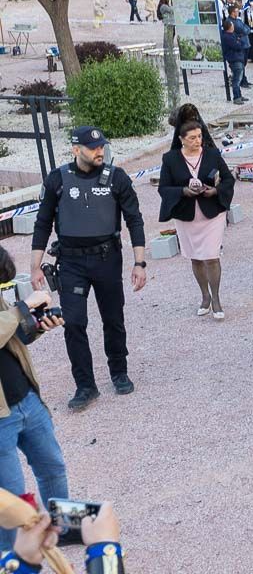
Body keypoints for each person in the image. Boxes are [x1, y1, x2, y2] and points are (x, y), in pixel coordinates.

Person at [30, 127, 145, 412]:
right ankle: (85, 385)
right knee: (74, 323)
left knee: (113, 318)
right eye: (93, 147)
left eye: (101, 147)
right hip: (71, 263)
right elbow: (43, 223)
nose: (99, 152)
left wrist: (139, 262)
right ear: (75, 149)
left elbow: (135, 219)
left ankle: (119, 372)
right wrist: (34, 266)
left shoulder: (116, 178)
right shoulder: (58, 179)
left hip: (107, 259)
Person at [0, 247, 68, 551]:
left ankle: (64, 531)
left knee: (52, 467)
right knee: (10, 496)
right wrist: (21, 309)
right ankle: (11, 556)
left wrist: (36, 326)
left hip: (27, 398)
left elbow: (10, 333)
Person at [157, 119, 235, 319]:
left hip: (212, 213)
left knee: (212, 256)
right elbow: (163, 188)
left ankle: (216, 299)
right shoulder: (170, 159)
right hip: (186, 215)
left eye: (199, 136)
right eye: (192, 138)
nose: (197, 141)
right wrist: (183, 191)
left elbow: (228, 179)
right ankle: (204, 296)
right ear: (182, 139)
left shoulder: (212, 154)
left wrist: (215, 191)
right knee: (196, 257)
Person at [220, 18, 247, 105]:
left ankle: (239, 95)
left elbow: (240, 43)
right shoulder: (227, 37)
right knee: (236, 79)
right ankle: (236, 97)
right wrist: (239, 42)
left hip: (238, 58)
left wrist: (239, 42)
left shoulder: (232, 35)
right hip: (234, 59)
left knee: (239, 77)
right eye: (232, 25)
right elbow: (237, 46)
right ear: (229, 27)